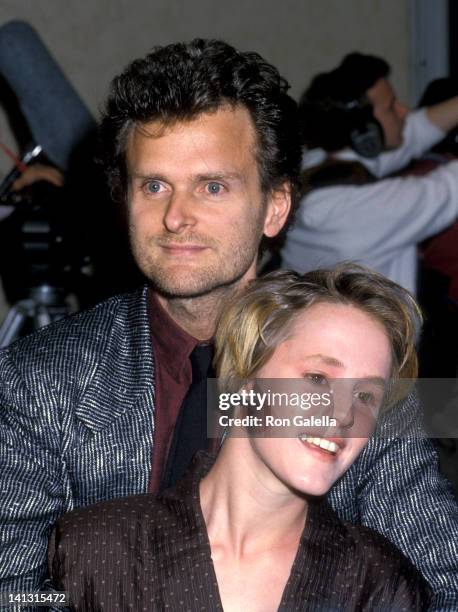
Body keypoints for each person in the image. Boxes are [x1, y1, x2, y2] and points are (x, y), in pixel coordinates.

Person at [0, 40, 456, 610]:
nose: (175, 216)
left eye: (212, 186)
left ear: (275, 208)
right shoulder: (37, 380)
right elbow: (15, 594)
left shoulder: (353, 375)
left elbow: (440, 582)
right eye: (154, 185)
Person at [48, 264, 431, 611]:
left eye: (366, 396)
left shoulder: (380, 582)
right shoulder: (93, 547)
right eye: (318, 378)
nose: (345, 415)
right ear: (247, 381)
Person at [281, 52, 458, 296]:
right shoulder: (360, 208)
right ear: (365, 133)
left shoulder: (315, 164)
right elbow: (449, 187)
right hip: (370, 333)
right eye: (391, 108)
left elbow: (416, 132)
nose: (404, 111)